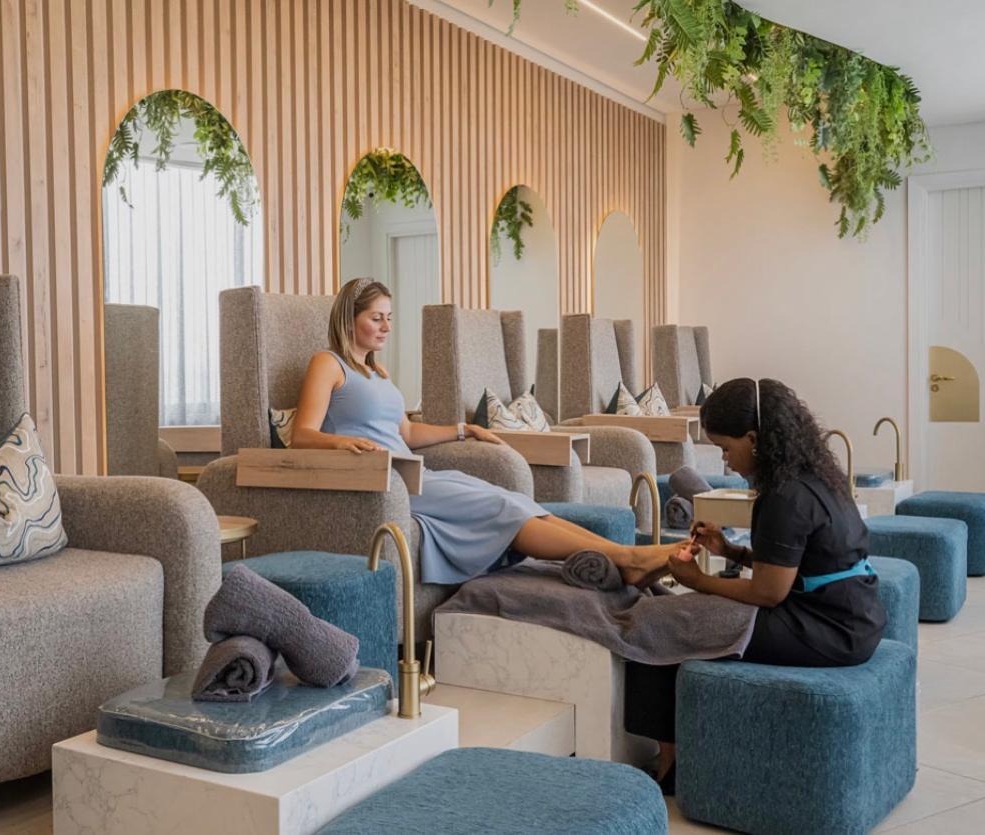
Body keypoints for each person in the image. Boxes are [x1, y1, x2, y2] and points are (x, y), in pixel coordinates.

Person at [288, 277, 677, 587]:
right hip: (383, 483)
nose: (387, 327)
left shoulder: (379, 372)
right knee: (503, 509)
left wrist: (465, 429)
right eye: (376, 318)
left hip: (413, 473)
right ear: (349, 319)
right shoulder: (328, 364)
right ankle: (628, 558)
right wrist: (341, 442)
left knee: (513, 499)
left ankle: (624, 555)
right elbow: (302, 435)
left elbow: (406, 432)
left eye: (389, 317)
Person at [625, 376, 888, 793]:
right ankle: (675, 751)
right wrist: (730, 551)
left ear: (753, 439)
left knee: (656, 623)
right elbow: (796, 565)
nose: (725, 460)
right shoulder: (816, 478)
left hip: (828, 629)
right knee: (673, 615)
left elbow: (769, 592)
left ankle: (671, 764)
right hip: (853, 617)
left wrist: (699, 581)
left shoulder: (785, 496)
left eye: (726, 448)